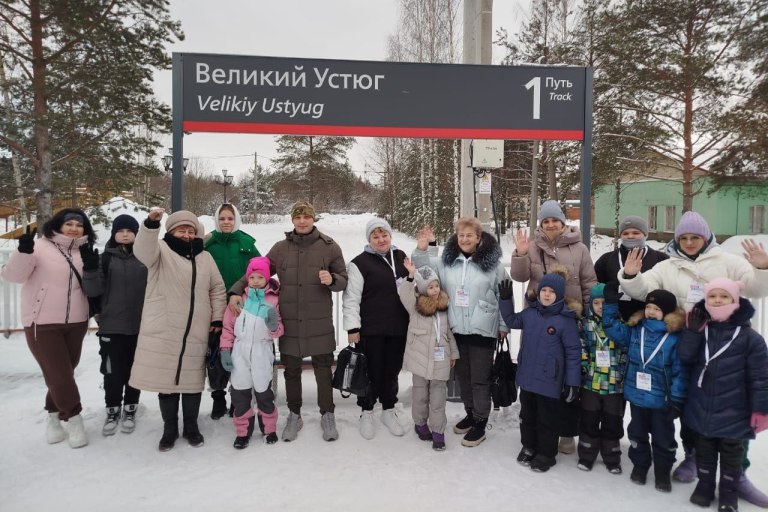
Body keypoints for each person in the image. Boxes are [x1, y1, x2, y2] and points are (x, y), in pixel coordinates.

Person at [618, 211, 768, 504]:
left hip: (727, 343)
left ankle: (738, 475)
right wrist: (631, 274)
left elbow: (756, 289)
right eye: (683, 238)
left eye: (694, 237)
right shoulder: (668, 266)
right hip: (689, 343)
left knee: (732, 407)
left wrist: (762, 269)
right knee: (691, 403)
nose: (689, 242)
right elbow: (640, 289)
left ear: (706, 237)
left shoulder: (728, 261)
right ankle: (695, 456)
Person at [228, 201, 347, 442]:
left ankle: (328, 414)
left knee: (323, 369)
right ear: (292, 220)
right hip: (290, 321)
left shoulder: (330, 247)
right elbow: (258, 272)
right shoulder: (281, 248)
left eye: (307, 217)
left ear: (314, 219)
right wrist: (235, 290)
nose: (302, 221)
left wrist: (332, 278)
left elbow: (344, 279)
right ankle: (295, 414)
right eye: (298, 217)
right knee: (291, 371)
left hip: (318, 321)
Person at [129, 208, 226, 452]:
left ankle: (191, 427)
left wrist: (217, 319)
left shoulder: (205, 257)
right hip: (165, 326)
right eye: (181, 229)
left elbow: (217, 288)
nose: (186, 233)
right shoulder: (160, 250)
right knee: (167, 381)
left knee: (192, 381)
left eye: (190, 230)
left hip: (197, 327)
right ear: (171, 231)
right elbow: (142, 250)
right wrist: (151, 224)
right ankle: (169, 428)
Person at [1, 208, 96, 448]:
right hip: (41, 322)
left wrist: (94, 267)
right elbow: (13, 276)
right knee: (60, 374)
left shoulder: (85, 252)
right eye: (69, 223)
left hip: (76, 321)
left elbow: (92, 286)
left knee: (63, 373)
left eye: (80, 224)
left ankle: (53, 417)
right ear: (58, 225)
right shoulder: (39, 246)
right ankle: (74, 419)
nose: (74, 228)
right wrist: (23, 253)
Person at [412, 218, 508, 447]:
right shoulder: (447, 262)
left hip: (482, 329)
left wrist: (503, 325)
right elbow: (425, 269)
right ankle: (470, 413)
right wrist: (423, 248)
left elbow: (504, 294)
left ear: (479, 238)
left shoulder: (493, 264)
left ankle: (481, 422)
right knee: (463, 377)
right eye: (461, 235)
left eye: (470, 235)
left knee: (480, 379)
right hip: (456, 329)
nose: (465, 239)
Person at [511, 199, 597, 454]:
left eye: (554, 220)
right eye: (545, 221)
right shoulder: (533, 247)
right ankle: (537, 428)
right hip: (538, 318)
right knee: (541, 372)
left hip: (569, 319)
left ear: (563, 222)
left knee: (567, 373)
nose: (550, 225)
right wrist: (520, 254)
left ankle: (567, 431)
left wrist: (589, 314)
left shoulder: (579, 248)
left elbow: (588, 282)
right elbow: (519, 276)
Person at [678, 278, 768, 512]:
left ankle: (729, 495)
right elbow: (685, 357)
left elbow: (761, 377)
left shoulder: (750, 338)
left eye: (724, 296)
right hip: (702, 407)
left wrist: (761, 408)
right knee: (704, 452)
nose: (717, 300)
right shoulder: (701, 329)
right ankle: (705, 487)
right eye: (712, 296)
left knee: (731, 458)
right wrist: (692, 332)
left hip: (735, 411)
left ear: (735, 301)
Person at [602, 286, 687, 493]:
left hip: (661, 400)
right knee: (637, 434)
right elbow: (612, 328)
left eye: (656, 309)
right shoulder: (635, 329)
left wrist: (676, 399)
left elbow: (680, 371)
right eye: (648, 307)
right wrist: (611, 306)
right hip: (637, 396)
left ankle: (662, 471)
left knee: (663, 438)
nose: (650, 312)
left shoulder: (674, 337)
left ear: (666, 312)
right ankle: (640, 466)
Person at [499, 268, 582, 472]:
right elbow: (511, 321)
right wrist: (506, 299)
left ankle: (546, 454)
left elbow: (573, 353)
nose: (546, 294)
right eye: (543, 289)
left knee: (547, 420)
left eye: (551, 291)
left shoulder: (566, 320)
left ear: (560, 295)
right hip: (527, 378)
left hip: (549, 381)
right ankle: (528, 446)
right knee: (527, 416)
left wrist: (573, 382)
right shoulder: (530, 313)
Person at [342, 218, 410, 440]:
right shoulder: (359, 263)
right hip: (370, 329)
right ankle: (367, 411)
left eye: (384, 235)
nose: (381, 240)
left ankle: (388, 410)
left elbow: (414, 283)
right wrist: (352, 327)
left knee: (392, 371)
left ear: (390, 236)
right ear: (369, 240)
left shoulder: (401, 257)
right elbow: (351, 298)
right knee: (371, 371)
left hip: (398, 327)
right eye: (375, 236)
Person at [80, 214, 147, 436]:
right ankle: (112, 408)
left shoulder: (145, 257)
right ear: (114, 233)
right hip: (112, 325)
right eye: (121, 230)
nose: (125, 234)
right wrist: (90, 270)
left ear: (137, 234)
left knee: (135, 370)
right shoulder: (105, 259)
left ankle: (130, 407)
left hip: (140, 325)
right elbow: (93, 291)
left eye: (130, 230)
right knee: (112, 371)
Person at [204, 203, 261, 419]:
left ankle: (237, 398)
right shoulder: (208, 244)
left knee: (239, 356)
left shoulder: (246, 243)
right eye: (222, 219)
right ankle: (218, 397)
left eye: (230, 218)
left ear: (236, 219)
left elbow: (259, 270)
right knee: (217, 354)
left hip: (241, 307)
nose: (226, 222)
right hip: (215, 307)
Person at [220, 256, 283, 449]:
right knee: (240, 392)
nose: (256, 281)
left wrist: (273, 326)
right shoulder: (239, 300)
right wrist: (225, 350)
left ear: (267, 279)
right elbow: (228, 328)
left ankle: (269, 428)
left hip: (262, 351)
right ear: (247, 278)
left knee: (264, 392)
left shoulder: (273, 300)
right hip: (240, 351)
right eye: (252, 277)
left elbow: (279, 329)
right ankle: (242, 431)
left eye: (260, 277)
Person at [399, 259, 459, 451]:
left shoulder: (443, 307)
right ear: (423, 289)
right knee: (420, 396)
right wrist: (410, 276)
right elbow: (404, 293)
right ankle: (420, 423)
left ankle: (438, 432)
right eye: (430, 287)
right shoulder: (415, 306)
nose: (434, 290)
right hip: (419, 359)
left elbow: (448, 332)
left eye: (436, 286)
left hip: (441, 360)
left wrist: (454, 353)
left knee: (438, 398)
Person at [577, 283, 627, 474]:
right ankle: (587, 455)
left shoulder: (620, 325)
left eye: (604, 303)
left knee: (612, 423)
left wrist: (622, 372)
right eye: (596, 303)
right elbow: (582, 348)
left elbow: (625, 350)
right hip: (592, 383)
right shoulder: (586, 324)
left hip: (614, 385)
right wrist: (584, 367)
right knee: (589, 421)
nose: (600, 307)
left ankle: (612, 457)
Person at [593, 215, 669, 321]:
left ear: (645, 234)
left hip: (650, 320)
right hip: (615, 320)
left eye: (636, 233)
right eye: (625, 233)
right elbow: (597, 289)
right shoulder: (606, 259)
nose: (630, 236)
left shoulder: (660, 259)